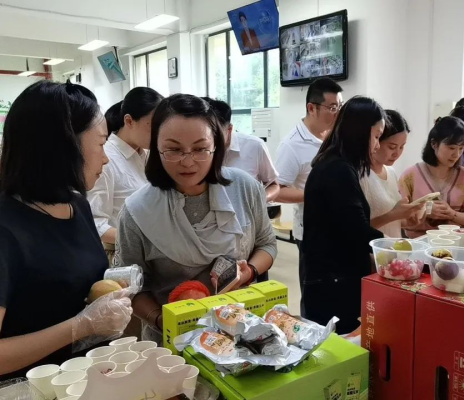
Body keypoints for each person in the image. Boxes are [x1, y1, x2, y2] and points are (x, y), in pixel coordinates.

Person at [115, 94, 277, 341]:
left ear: (216, 146)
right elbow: (131, 286)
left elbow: (266, 243)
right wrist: (164, 320)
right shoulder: (138, 211)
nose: (188, 162)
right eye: (174, 149)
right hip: (171, 341)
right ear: (156, 147)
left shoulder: (244, 188)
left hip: (241, 330)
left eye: (200, 149)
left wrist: (249, 272)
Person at [0, 81, 132, 378]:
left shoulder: (76, 204)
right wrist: (79, 326)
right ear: (64, 147)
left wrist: (107, 293)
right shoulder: (6, 228)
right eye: (101, 144)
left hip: (87, 376)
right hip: (33, 388)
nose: (106, 158)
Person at [301, 96, 386, 334]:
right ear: (360, 132)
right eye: (376, 136)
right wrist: (393, 248)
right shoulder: (337, 170)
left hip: (331, 278)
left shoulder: (336, 164)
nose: (377, 145)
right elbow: (356, 231)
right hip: (333, 284)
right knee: (338, 345)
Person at [275, 77, 343, 312]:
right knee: (315, 298)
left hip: (339, 230)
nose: (337, 113)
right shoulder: (292, 145)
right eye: (332, 107)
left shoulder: (336, 137)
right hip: (312, 233)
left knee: (338, 295)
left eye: (340, 106)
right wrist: (315, 195)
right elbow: (277, 190)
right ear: (311, 108)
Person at [88, 87, 163, 263]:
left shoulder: (147, 155)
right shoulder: (107, 159)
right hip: (119, 256)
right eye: (153, 125)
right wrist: (143, 241)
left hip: (151, 254)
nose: (159, 133)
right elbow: (95, 224)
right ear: (129, 121)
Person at [400, 116, 464, 238]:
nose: (456, 154)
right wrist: (425, 211)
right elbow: (399, 219)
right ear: (434, 144)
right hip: (419, 243)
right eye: (451, 148)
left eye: (461, 148)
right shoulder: (410, 176)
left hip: (456, 243)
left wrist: (452, 214)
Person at [202, 98, 280, 202]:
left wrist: (260, 201)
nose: (208, 140)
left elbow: (273, 185)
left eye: (215, 134)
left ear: (229, 129)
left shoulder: (254, 146)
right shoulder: (196, 152)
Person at [360, 110, 423, 237]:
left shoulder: (391, 172)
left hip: (393, 247)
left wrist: (407, 220)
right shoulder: (360, 174)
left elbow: (391, 222)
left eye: (402, 147)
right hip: (372, 248)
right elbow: (356, 229)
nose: (397, 153)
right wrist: (394, 214)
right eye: (392, 147)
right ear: (376, 140)